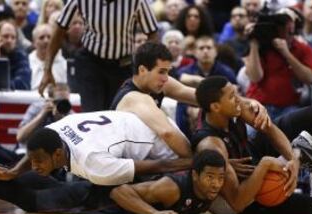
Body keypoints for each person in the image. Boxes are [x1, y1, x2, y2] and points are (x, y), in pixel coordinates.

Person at [191, 76, 312, 214]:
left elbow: (269, 129)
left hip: (250, 156)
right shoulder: (211, 145)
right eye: (232, 96)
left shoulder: (234, 107)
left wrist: (292, 160)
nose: (239, 98)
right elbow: (237, 203)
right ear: (216, 107)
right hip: (248, 196)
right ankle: (300, 156)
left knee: (310, 116)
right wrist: (265, 165)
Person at [111, 42, 270, 159]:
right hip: (130, 161)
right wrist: (201, 163)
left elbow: (202, 97)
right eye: (161, 72)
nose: (166, 78)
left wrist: (248, 103)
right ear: (142, 70)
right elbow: (168, 133)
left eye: (168, 72)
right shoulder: (134, 98)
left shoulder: (158, 83)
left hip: (148, 153)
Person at [0, 111, 192, 186]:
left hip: (167, 148)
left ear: (58, 154)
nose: (34, 166)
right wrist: (14, 171)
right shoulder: (54, 130)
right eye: (33, 160)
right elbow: (37, 147)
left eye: (39, 161)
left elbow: (159, 165)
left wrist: (198, 161)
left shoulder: (93, 163)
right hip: (148, 121)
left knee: (117, 198)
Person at [39, 0, 159, 112]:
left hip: (123, 65)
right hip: (91, 63)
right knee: (93, 114)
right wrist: (47, 69)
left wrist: (150, 68)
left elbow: (152, 33)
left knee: (119, 114)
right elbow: (59, 29)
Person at [110, 149, 227, 214]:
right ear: (195, 175)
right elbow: (118, 192)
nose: (216, 184)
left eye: (220, 178)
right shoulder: (171, 188)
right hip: (107, 210)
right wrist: (153, 213)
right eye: (210, 177)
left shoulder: (209, 191)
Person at [29, 23, 67, 90]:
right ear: (34, 43)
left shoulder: (63, 64)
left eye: (49, 37)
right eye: (41, 38)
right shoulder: (27, 62)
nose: (46, 41)